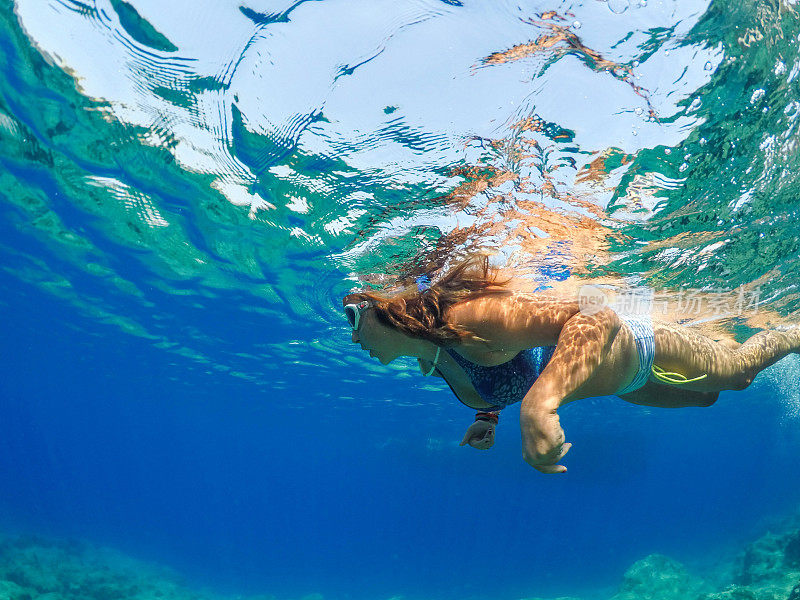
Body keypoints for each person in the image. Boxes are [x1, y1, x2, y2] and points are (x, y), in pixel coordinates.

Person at [342, 256, 800, 474]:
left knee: (738, 374)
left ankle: (791, 331)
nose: (352, 336)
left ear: (385, 307)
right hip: (623, 385)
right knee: (705, 399)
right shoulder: (434, 355)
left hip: (637, 346)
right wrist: (488, 416)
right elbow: (505, 371)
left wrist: (539, 406)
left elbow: (595, 315)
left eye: (352, 318)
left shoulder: (469, 319)